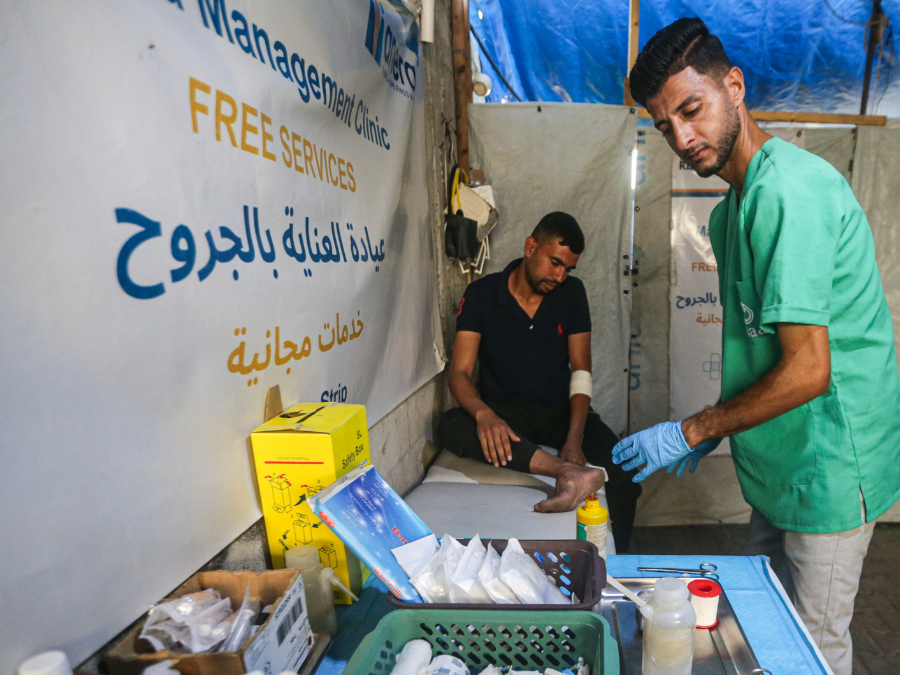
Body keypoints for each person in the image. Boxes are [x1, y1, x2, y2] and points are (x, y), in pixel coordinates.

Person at [615, 17, 900, 675]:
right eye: (665, 126)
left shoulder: (789, 192)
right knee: (765, 626)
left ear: (734, 87)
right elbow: (760, 345)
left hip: (829, 463)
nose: (682, 138)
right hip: (779, 458)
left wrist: (693, 428)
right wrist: (712, 427)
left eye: (691, 110)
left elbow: (808, 370)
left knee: (814, 649)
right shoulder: (729, 213)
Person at [437, 212, 642, 551]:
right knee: (451, 425)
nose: (559, 276)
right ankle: (564, 472)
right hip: (505, 414)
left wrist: (575, 438)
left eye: (568, 269)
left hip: (560, 413)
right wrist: (485, 415)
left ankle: (618, 565)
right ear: (530, 247)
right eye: (555, 263)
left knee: (625, 474)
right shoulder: (481, 294)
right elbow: (459, 373)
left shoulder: (572, 294)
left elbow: (581, 372)